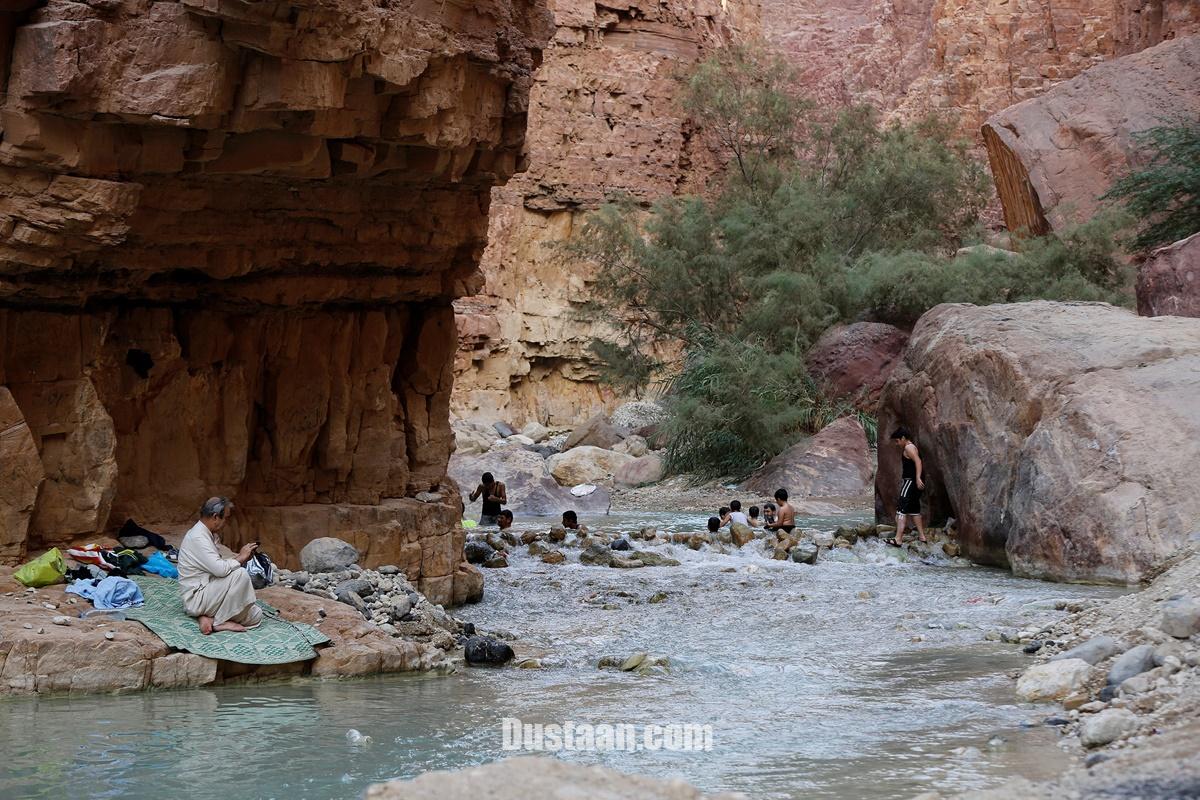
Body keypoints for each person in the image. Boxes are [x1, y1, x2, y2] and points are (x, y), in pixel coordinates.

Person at [178, 497, 262, 635]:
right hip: (197, 598)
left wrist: (241, 558)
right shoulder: (198, 538)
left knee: (256, 612)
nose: (225, 523)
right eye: (225, 518)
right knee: (241, 575)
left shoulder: (207, 534)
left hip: (207, 591)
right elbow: (220, 570)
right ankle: (219, 621)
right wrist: (240, 557)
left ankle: (208, 617)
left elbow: (217, 566)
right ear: (216, 517)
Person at [888, 427, 927, 545]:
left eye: (897, 441)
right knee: (914, 509)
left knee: (901, 510)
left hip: (910, 482)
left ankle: (898, 539)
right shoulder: (912, 446)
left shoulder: (908, 447)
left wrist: (917, 478)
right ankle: (922, 537)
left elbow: (918, 461)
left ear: (903, 438)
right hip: (914, 483)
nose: (897, 443)